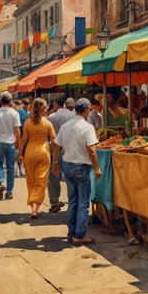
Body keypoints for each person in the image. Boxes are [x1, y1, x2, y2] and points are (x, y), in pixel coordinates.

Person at [52, 98, 101, 245]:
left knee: (73, 201)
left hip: (67, 165)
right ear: (86, 110)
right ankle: (79, 235)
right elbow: (91, 149)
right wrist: (97, 168)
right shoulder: (87, 127)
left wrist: (55, 162)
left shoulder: (66, 126)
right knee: (83, 203)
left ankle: (71, 232)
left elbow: (55, 145)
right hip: (82, 167)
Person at [18, 98, 56, 219]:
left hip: (29, 152)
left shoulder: (28, 123)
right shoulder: (48, 123)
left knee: (31, 180)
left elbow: (23, 140)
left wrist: (20, 154)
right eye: (45, 107)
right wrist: (52, 151)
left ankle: (33, 205)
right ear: (42, 109)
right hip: (43, 152)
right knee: (41, 181)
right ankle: (35, 208)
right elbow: (54, 140)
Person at [0, 92, 20, 200]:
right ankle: (9, 192)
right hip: (11, 142)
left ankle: (1, 181)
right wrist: (18, 144)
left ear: (1, 101)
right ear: (10, 101)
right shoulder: (15, 113)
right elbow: (17, 131)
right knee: (11, 168)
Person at [46, 97, 76, 213]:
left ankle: (54, 201)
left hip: (55, 149)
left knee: (53, 176)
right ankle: (72, 202)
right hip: (70, 148)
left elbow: (48, 135)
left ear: (55, 103)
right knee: (70, 177)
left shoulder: (51, 117)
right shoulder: (72, 116)